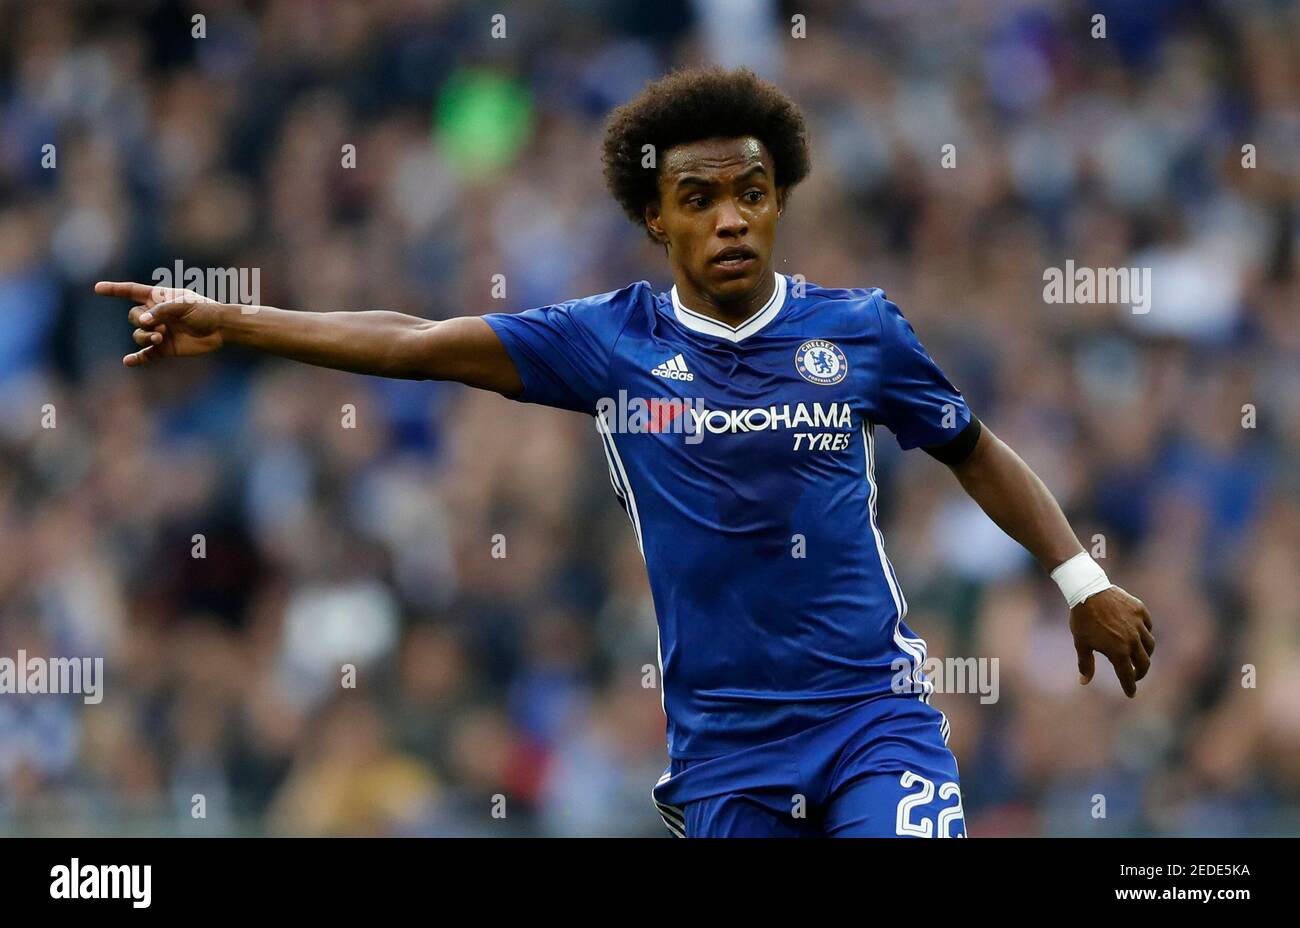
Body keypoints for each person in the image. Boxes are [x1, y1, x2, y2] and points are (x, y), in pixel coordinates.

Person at [96, 66, 1154, 837]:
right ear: (656, 219)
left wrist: (1078, 579)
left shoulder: (861, 331)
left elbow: (972, 447)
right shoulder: (609, 342)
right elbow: (417, 343)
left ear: (778, 200)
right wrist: (235, 322)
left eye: (751, 192)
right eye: (699, 200)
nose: (731, 218)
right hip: (727, 751)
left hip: (872, 715)